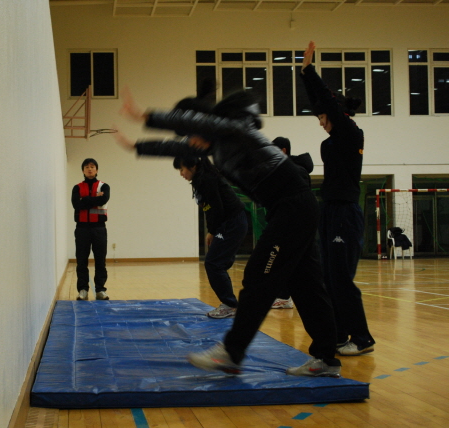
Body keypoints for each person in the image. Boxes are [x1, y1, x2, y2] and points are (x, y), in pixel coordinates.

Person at [118, 87, 342, 377]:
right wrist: (136, 147)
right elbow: (174, 148)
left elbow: (199, 124)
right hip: (291, 210)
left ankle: (232, 353)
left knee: (259, 278)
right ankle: (326, 359)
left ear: (202, 123)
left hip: (293, 208)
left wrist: (146, 116)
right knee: (306, 284)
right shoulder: (214, 147)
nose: (190, 141)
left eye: (191, 131)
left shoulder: (235, 130)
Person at [116, 128, 248, 318]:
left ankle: (230, 305)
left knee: (213, 264)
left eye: (182, 169)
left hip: (232, 222)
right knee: (217, 263)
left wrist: (213, 231)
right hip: (229, 222)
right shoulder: (201, 179)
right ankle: (231, 300)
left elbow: (217, 209)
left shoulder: (207, 179)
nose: (181, 173)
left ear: (192, 165)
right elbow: (210, 208)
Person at [301, 41, 375, 356]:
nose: (320, 121)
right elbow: (323, 104)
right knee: (328, 278)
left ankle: (362, 338)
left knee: (342, 279)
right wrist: (304, 78)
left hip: (345, 212)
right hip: (330, 210)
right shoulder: (331, 140)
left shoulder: (351, 133)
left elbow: (328, 102)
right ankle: (340, 334)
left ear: (337, 115)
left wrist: (308, 72)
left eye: (323, 117)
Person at [269, 136, 314, 310]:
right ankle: (285, 295)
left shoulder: (296, 171)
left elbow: (300, 201)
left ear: (283, 151)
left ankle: (286, 297)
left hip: (297, 226)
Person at [71, 158, 110, 301]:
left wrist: (85, 199)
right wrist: (94, 199)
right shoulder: (77, 188)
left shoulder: (104, 186)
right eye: (87, 167)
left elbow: (103, 200)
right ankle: (83, 290)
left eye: (92, 166)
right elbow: (77, 205)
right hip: (82, 228)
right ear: (83, 170)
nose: (89, 169)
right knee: (81, 260)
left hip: (99, 228)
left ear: (97, 170)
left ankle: (100, 290)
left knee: (100, 260)